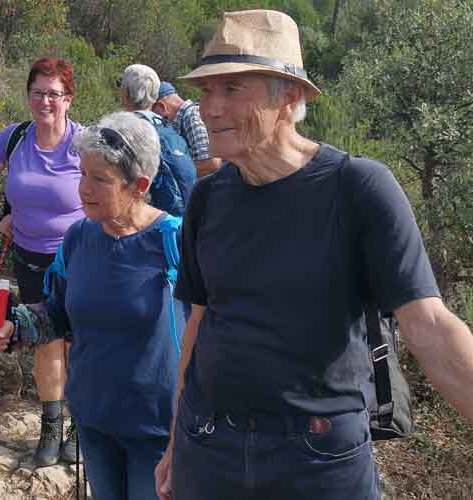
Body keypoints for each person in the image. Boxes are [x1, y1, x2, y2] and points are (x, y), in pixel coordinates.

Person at [153, 10, 473, 500]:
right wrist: (177, 436)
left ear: (291, 98)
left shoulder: (358, 188)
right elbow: (199, 322)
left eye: (232, 89)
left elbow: (429, 327)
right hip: (209, 446)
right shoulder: (208, 197)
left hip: (318, 462)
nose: (210, 108)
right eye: (206, 91)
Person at [0, 111, 184, 500]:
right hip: (94, 421)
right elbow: (57, 314)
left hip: (158, 431)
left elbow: (206, 333)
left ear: (139, 185)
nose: (83, 189)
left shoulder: (173, 243)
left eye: (100, 180)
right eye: (82, 175)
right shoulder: (78, 238)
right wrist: (15, 328)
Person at [0, 57, 84, 466]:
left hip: (78, 261)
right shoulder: (14, 139)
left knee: (79, 343)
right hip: (30, 257)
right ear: (29, 96)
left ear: (68, 99)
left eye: (54, 93)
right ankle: (51, 431)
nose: (45, 101)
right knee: (44, 342)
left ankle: (79, 427)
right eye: (38, 92)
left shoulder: (85, 144)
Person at [120, 64, 197, 216]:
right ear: (155, 96)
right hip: (182, 217)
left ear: (125, 94)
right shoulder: (168, 128)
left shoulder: (124, 131)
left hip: (147, 221)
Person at [152, 81, 222, 176]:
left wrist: (174, 174)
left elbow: (210, 163)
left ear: (162, 107)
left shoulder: (191, 116)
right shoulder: (182, 119)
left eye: (152, 111)